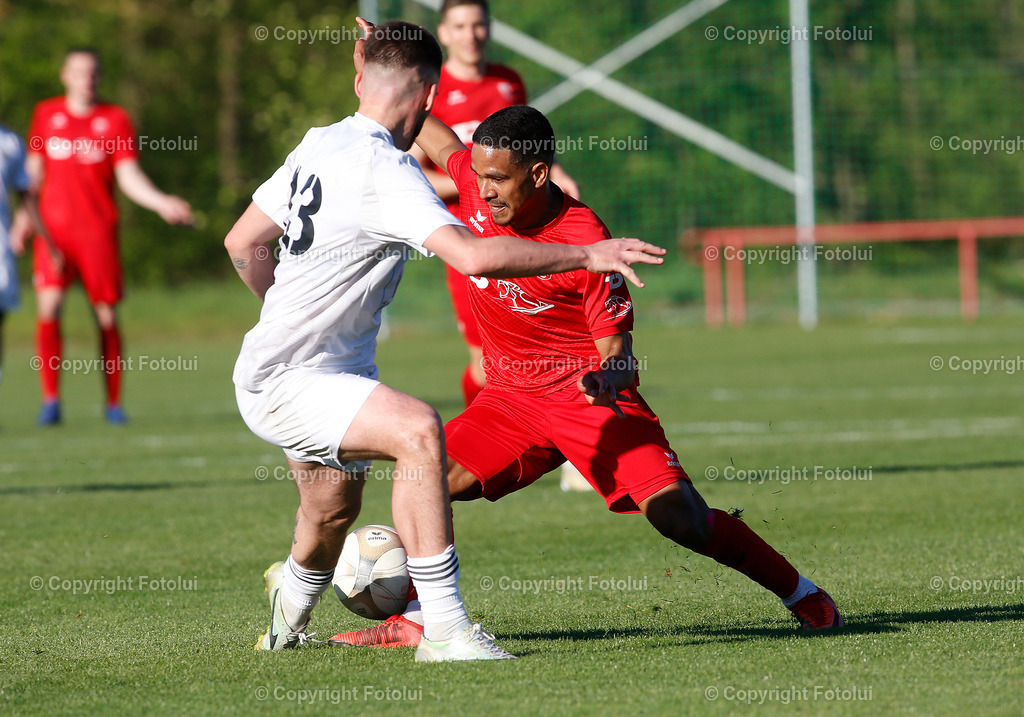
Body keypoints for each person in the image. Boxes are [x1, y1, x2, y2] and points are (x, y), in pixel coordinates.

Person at [225, 20, 664, 661]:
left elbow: (242, 243)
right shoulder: (387, 168)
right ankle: (447, 630)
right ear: (430, 96)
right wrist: (587, 254)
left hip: (302, 370)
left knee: (328, 513)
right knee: (419, 430)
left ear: (359, 79)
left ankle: (282, 630)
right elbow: (474, 257)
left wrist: (287, 318)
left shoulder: (319, 143)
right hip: (296, 380)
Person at [329, 106, 843, 650]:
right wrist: (394, 74)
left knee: (681, 519)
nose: (483, 191)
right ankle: (419, 619)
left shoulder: (585, 237)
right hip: (508, 402)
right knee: (422, 476)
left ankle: (802, 593)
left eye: (498, 179)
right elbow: (435, 138)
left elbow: (618, 349)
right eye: (478, 176)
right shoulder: (479, 184)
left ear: (538, 173)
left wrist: (607, 377)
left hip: (586, 401)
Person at [421, 0, 590, 491]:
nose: (472, 34)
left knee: (559, 337)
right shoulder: (436, 92)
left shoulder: (507, 81)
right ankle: (490, 438)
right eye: (460, 26)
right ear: (444, 33)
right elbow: (419, 179)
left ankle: (573, 440)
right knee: (485, 362)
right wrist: (481, 184)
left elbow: (524, 152)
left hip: (528, 238)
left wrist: (553, 178)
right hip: (471, 243)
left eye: (479, 24)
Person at [18, 48, 193, 426]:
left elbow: (128, 175)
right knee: (48, 308)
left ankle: (113, 404)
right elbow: (31, 176)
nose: (87, 79)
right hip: (53, 235)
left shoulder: (114, 119)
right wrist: (22, 221)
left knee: (107, 315)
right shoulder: (46, 115)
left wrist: (161, 202)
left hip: (97, 233)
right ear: (65, 75)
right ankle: (51, 401)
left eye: (94, 72)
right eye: (79, 72)